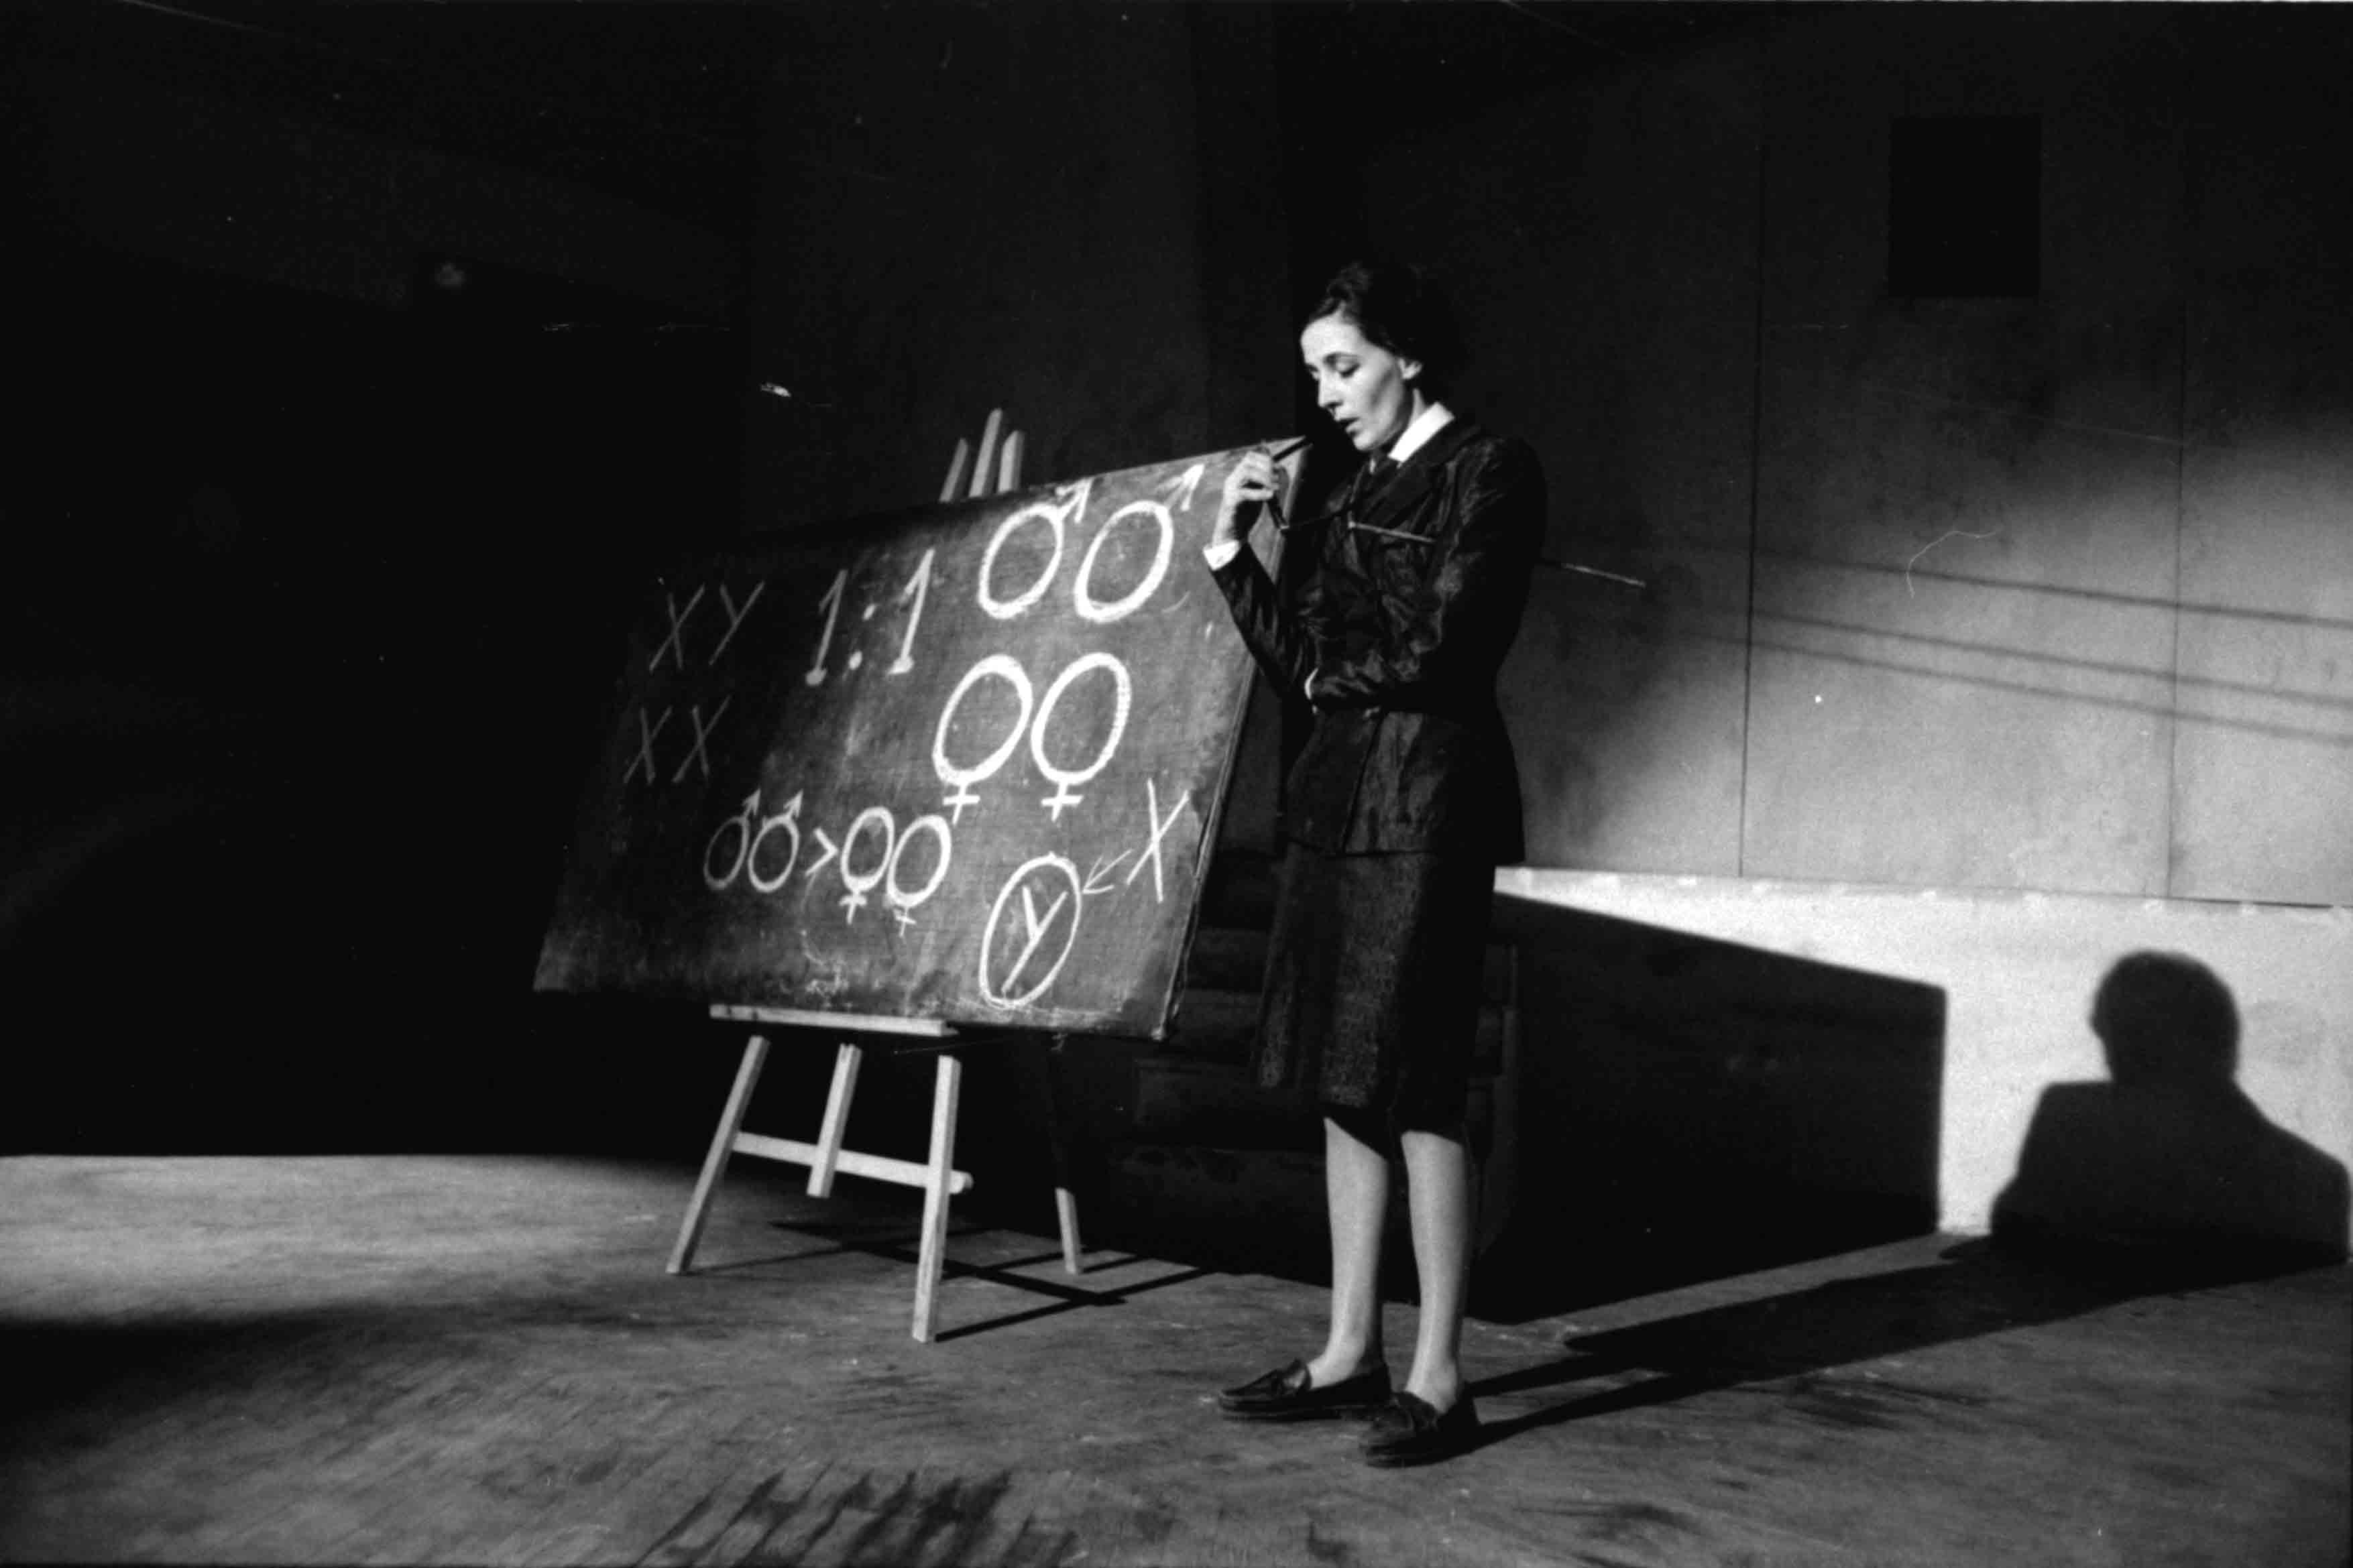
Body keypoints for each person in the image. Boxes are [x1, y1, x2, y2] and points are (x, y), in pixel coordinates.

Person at [1200, 259, 1545, 1466]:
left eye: (1341, 367)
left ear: (1407, 356)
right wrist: (1235, 558)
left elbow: (1448, 646)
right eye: (1312, 375)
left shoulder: (1489, 469)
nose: (1326, 395)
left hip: (1429, 806)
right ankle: (1349, 1350)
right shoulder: (1348, 489)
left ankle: (1440, 1378)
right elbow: (1305, 653)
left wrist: (1321, 680)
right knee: (1342, 1075)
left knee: (1418, 1080)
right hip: (1336, 803)